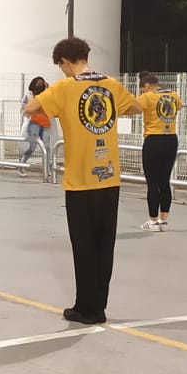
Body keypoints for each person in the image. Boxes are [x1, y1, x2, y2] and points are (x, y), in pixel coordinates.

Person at [25, 37, 138, 325]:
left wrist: (51, 103)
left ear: (64, 61)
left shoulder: (64, 87)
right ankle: (98, 307)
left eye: (60, 66)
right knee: (104, 245)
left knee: (84, 246)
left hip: (81, 179)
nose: (61, 71)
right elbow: (135, 107)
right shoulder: (111, 84)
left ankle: (84, 308)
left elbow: (31, 109)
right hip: (110, 176)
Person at [134, 72, 184, 231]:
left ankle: (153, 221)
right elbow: (179, 107)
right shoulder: (173, 94)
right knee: (164, 181)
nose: (142, 92)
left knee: (152, 183)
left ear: (147, 85)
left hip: (153, 140)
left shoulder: (147, 97)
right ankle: (163, 219)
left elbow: (133, 108)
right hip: (171, 140)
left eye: (142, 89)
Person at [18, 76, 51, 174]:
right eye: (38, 83)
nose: (40, 85)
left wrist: (48, 90)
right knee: (32, 147)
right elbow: (24, 109)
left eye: (42, 83)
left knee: (47, 146)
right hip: (34, 123)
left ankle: (47, 169)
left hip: (45, 123)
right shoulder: (29, 96)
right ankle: (22, 164)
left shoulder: (47, 94)